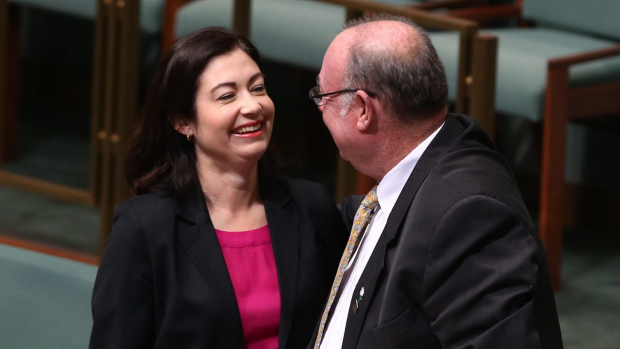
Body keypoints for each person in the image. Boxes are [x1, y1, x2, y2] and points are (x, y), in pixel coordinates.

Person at [308, 15, 563, 349]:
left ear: (363, 110)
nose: (320, 108)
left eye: (322, 96)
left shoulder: (467, 214)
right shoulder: (418, 168)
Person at [89, 27, 347, 349]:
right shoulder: (144, 229)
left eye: (258, 88)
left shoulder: (311, 204)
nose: (252, 106)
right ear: (183, 121)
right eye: (227, 95)